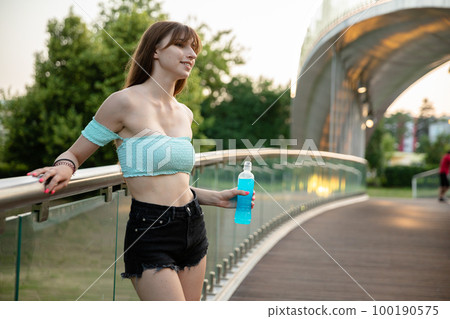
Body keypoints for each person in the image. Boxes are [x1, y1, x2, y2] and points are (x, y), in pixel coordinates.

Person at [27, 21, 255, 301]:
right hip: (150, 230)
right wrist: (65, 167)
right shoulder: (124, 103)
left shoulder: (184, 113)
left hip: (193, 226)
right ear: (155, 51)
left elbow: (173, 183)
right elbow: (74, 152)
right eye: (181, 45)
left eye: (193, 48)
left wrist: (217, 198)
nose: (192, 54)